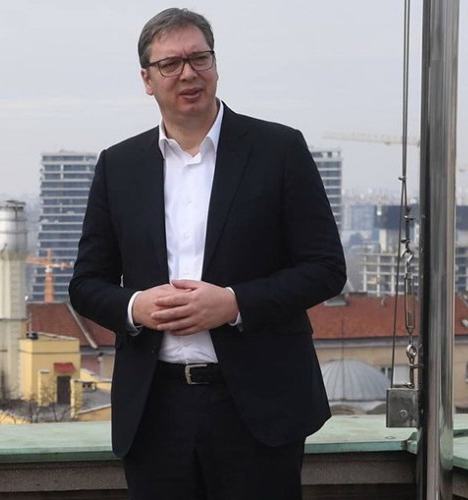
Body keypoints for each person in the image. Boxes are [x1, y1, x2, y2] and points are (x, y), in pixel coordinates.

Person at [69, 8, 346, 500]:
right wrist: (136, 307)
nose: (188, 73)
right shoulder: (119, 165)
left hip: (258, 409)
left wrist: (234, 303)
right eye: (170, 64)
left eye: (199, 58)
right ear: (147, 80)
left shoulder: (279, 149)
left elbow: (325, 268)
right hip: (155, 411)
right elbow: (87, 284)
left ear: (216, 65)